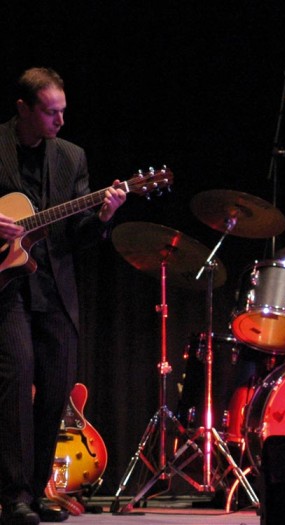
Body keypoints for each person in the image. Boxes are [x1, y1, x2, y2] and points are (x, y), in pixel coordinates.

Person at [0, 68, 126, 525]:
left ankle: (36, 492)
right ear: (23, 109)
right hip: (7, 288)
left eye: (63, 111)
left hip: (54, 286)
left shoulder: (72, 157)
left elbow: (78, 235)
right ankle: (13, 495)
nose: (60, 121)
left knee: (56, 387)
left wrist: (103, 217)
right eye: (51, 112)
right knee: (18, 380)